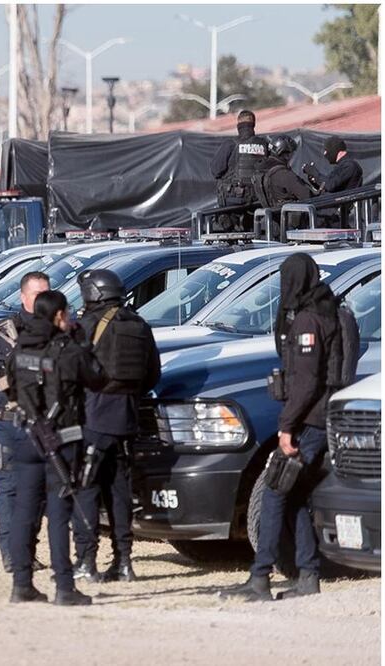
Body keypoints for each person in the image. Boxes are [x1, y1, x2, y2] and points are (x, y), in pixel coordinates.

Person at [223, 253, 355, 602]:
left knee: (274, 492)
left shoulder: (308, 321)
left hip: (308, 421)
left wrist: (285, 427)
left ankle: (260, 577)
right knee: (296, 495)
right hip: (321, 416)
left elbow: (306, 383)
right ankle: (308, 574)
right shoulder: (327, 310)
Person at [5, 290, 106, 605]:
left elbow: (9, 382)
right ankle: (65, 586)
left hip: (24, 437)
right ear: (59, 316)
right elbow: (98, 378)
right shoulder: (67, 351)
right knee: (59, 514)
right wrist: (83, 345)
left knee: (24, 512)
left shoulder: (20, 348)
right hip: (60, 441)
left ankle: (21, 584)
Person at [71, 269, 160, 583]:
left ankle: (86, 560)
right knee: (119, 492)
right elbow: (152, 375)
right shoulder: (139, 324)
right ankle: (123, 561)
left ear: (93, 293)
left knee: (86, 489)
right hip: (128, 419)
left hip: (94, 417)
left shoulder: (88, 325)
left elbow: (74, 371)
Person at [0, 270, 50, 572]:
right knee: (10, 489)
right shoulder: (4, 331)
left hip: (43, 422)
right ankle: (11, 552)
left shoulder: (55, 330)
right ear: (23, 297)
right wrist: (5, 362)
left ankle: (28, 550)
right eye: (37, 294)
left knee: (40, 492)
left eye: (47, 293)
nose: (42, 299)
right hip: (8, 422)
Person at [211, 109, 269, 231]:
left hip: (232, 201)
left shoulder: (230, 144)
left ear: (238, 126)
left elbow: (216, 170)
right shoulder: (264, 145)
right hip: (258, 200)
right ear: (253, 125)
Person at [255, 135, 313, 210]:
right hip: (291, 218)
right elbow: (307, 195)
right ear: (285, 154)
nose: (291, 157)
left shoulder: (262, 171)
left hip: (273, 217)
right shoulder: (283, 174)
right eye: (290, 154)